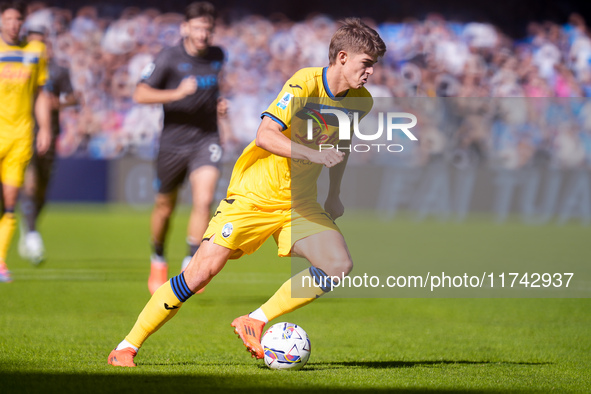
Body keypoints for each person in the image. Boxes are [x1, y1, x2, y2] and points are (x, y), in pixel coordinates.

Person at [108, 17, 386, 367]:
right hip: (254, 196)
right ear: (342, 57)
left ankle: (254, 320)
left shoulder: (361, 102)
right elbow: (265, 136)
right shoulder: (304, 83)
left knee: (337, 264)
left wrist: (334, 193)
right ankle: (126, 347)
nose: (370, 72)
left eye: (373, 66)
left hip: (298, 203)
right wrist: (315, 154)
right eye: (366, 64)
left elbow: (339, 147)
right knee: (199, 274)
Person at [133, 2, 231, 295]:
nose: (203, 34)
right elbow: (140, 93)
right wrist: (177, 93)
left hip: (206, 138)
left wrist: (220, 106)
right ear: (185, 28)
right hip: (173, 142)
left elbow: (215, 88)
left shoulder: (218, 55)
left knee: (204, 201)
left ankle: (191, 263)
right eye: (198, 28)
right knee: (165, 206)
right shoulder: (168, 57)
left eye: (208, 29)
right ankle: (158, 257)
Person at [18, 25, 80, 265]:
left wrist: (58, 102)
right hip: (24, 132)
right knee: (30, 185)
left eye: (43, 42)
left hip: (50, 134)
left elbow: (73, 96)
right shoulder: (18, 67)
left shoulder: (58, 70)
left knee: (42, 190)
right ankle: (32, 234)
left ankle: (30, 225)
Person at [0, 0, 51, 283]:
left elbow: (40, 93)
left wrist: (44, 127)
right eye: (8, 19)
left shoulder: (35, 52)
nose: (13, 24)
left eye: (17, 19)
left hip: (20, 135)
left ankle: (0, 260)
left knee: (10, 202)